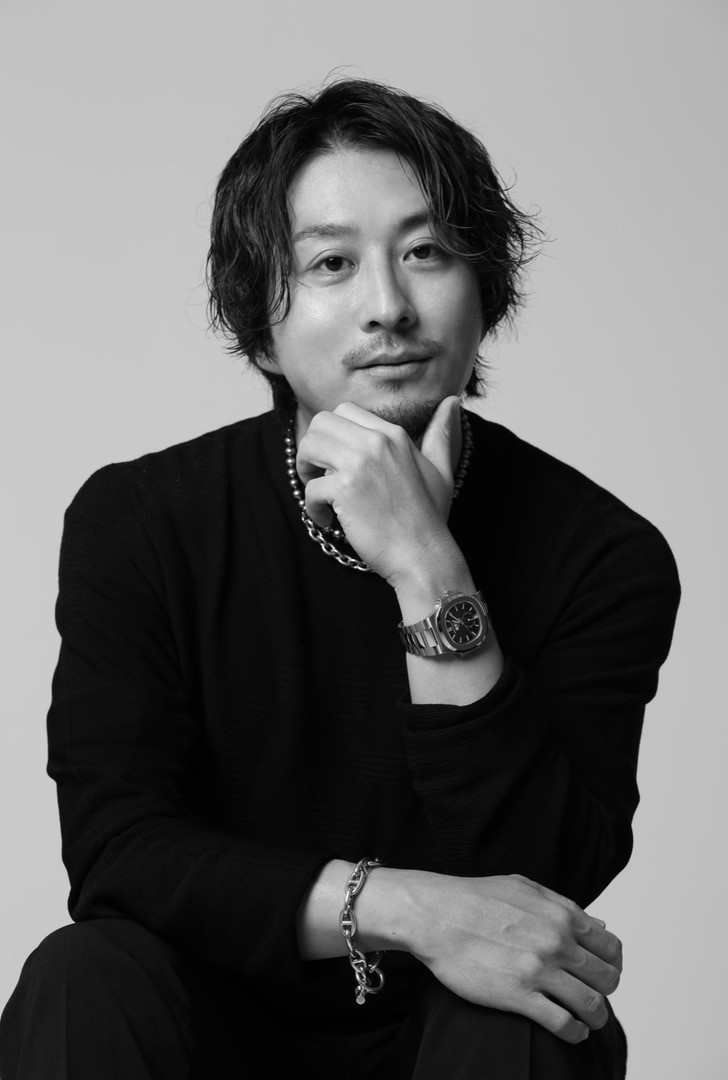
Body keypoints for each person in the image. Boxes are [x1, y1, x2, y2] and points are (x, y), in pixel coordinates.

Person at [0, 78, 680, 1079]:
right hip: (202, 1025)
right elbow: (119, 853)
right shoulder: (143, 521)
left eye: (426, 253)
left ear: (484, 289)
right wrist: (404, 908)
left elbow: (534, 893)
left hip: (462, 1038)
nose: (389, 308)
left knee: (526, 1019)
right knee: (81, 974)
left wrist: (423, 562)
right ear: (259, 324)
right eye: (331, 263)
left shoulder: (602, 554)